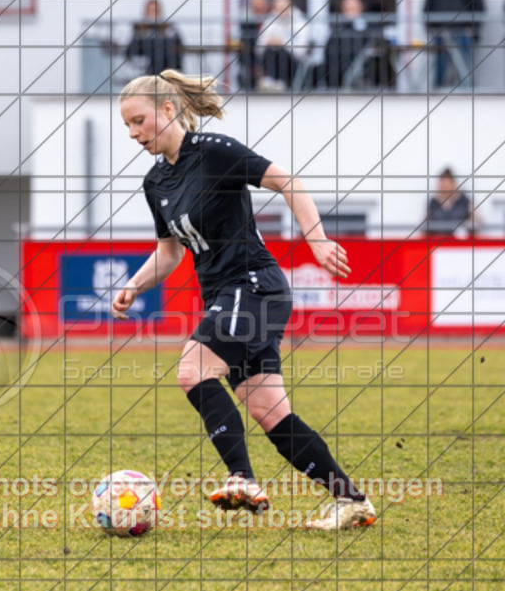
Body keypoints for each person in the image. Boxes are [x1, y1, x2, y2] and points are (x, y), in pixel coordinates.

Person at [112, 70, 376, 530]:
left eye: (139, 121)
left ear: (168, 110)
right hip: (226, 297)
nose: (134, 134)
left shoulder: (215, 152)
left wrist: (316, 241)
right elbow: (170, 251)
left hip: (253, 286)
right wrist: (135, 284)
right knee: (269, 411)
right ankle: (352, 501)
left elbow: (287, 183)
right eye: (128, 126)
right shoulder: (155, 183)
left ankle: (242, 479)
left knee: (192, 370)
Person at [423, 0, 484, 88]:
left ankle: (468, 100)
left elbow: (479, 8)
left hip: (463, 34)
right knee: (440, 71)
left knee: (464, 70)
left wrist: (472, 29)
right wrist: (432, 30)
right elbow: (427, 9)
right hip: (441, 36)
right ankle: (437, 99)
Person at [322, 0, 392, 89]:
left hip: (366, 68)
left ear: (361, 8)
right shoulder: (337, 31)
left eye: (353, 8)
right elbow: (330, 55)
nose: (351, 12)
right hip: (344, 70)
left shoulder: (370, 27)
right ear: (343, 10)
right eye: (348, 9)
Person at [257, 0, 310, 90]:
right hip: (271, 58)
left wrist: (283, 42)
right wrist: (268, 42)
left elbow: (301, 51)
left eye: (283, 8)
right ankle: (270, 80)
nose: (280, 11)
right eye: (277, 8)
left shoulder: (299, 23)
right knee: (271, 49)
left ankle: (281, 82)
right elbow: (258, 48)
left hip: (293, 62)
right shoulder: (269, 22)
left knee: (281, 51)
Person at [125, 0, 184, 76]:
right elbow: (131, 52)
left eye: (156, 11)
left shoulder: (169, 29)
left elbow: (178, 49)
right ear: (146, 12)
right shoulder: (139, 31)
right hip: (146, 73)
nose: (153, 14)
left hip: (166, 72)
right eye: (151, 11)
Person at [425, 167, 478, 236]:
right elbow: (425, 227)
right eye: (443, 185)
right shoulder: (433, 202)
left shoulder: (464, 201)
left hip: (460, 243)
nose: (445, 188)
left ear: (453, 184)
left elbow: (476, 223)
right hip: (438, 242)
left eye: (447, 185)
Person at [236, 0, 273, 90]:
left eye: (260, 3)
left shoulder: (271, 16)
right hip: (252, 52)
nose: (258, 6)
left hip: (267, 50)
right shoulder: (247, 16)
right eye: (255, 4)